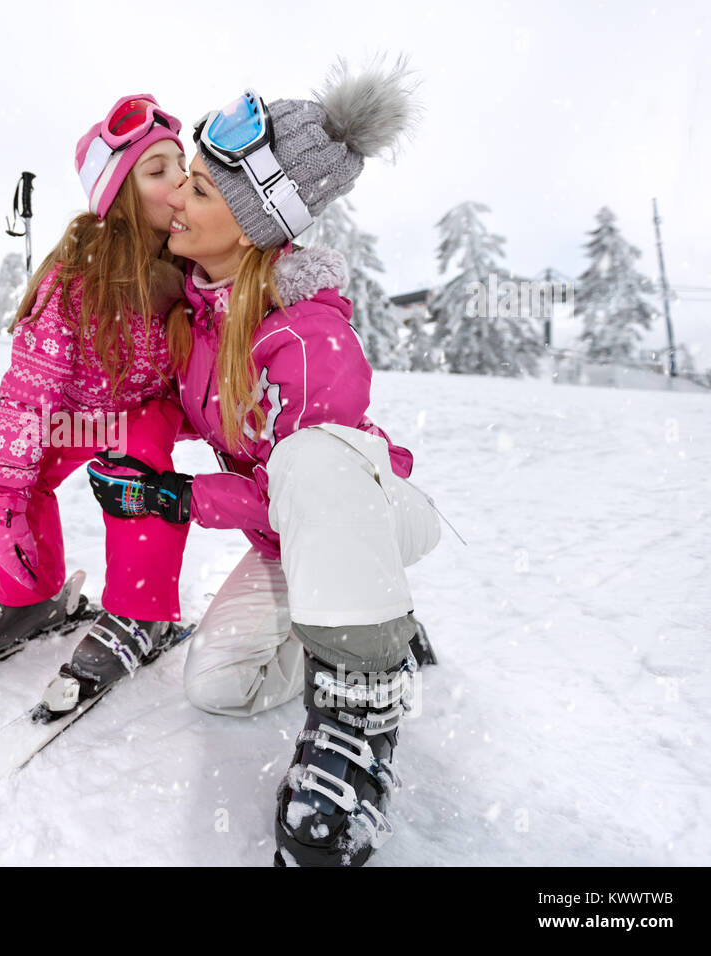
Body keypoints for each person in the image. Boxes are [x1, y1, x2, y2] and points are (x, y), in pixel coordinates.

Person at [85, 60, 443, 866]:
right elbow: (190, 408)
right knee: (219, 686)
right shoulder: (207, 315)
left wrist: (179, 498)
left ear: (251, 226)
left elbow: (293, 488)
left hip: (370, 509)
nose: (177, 195)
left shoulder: (311, 337)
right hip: (293, 539)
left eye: (202, 192)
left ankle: (359, 710)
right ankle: (368, 623)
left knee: (312, 461)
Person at [0, 95, 194, 700]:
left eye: (180, 165)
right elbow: (28, 396)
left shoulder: (196, 265)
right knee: (22, 479)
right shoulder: (77, 277)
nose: (180, 181)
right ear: (119, 197)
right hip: (76, 417)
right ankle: (31, 596)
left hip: (148, 416)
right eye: (156, 171)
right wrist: (3, 500)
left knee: (136, 460)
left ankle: (141, 609)